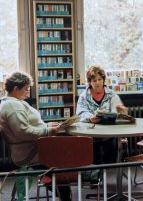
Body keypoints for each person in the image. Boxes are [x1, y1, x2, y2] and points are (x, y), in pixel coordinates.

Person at [0, 71, 71, 201]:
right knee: (68, 157)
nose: (28, 94)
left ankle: (57, 185)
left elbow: (29, 124)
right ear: (16, 88)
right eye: (26, 89)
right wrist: (48, 131)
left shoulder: (16, 102)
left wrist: (47, 125)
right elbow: (23, 131)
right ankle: (61, 186)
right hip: (30, 153)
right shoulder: (12, 105)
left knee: (64, 162)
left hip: (34, 148)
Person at [76, 65, 128, 164]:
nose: (97, 82)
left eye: (100, 79)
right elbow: (80, 113)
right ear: (90, 82)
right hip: (91, 135)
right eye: (94, 80)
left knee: (110, 160)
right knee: (93, 162)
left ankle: (107, 171)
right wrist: (90, 118)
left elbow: (117, 110)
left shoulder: (111, 94)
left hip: (109, 134)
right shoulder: (83, 96)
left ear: (104, 80)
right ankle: (94, 176)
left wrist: (121, 112)